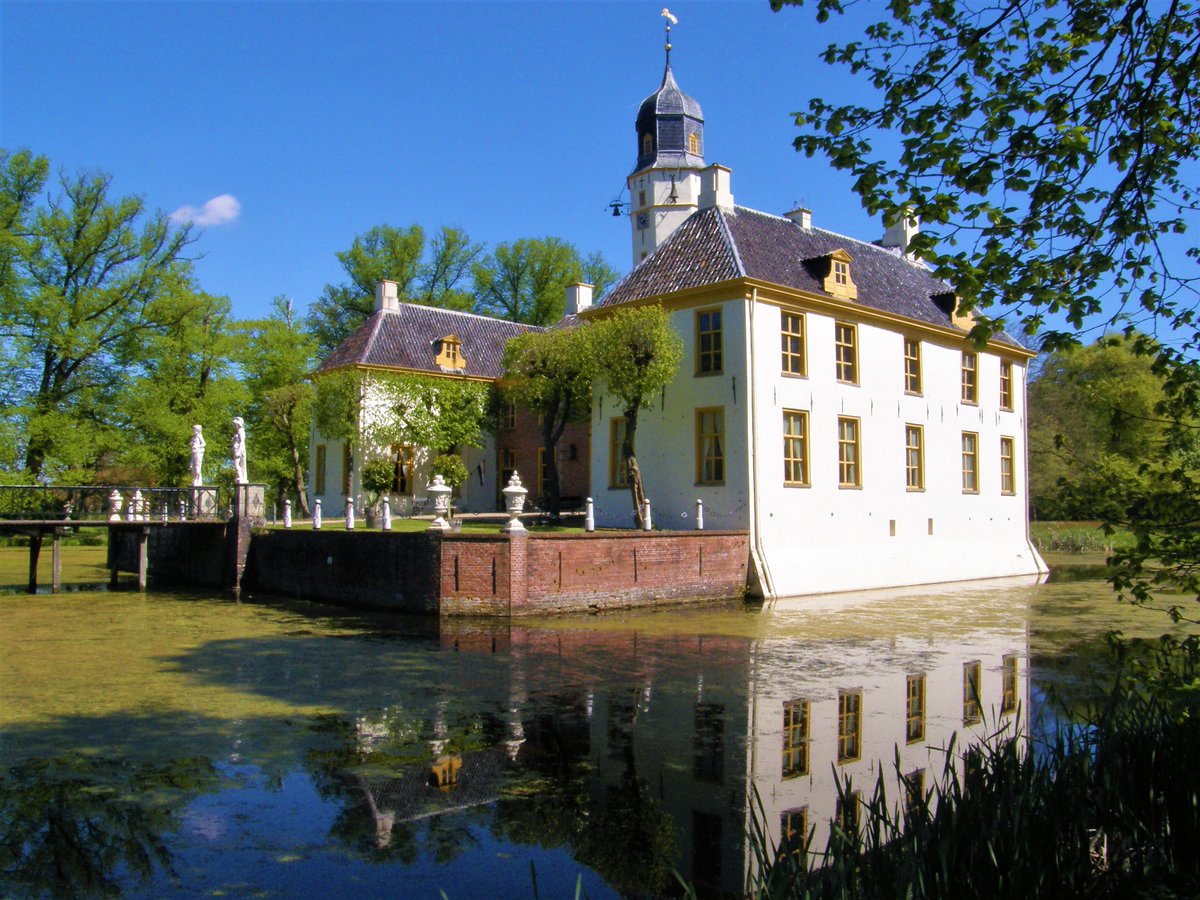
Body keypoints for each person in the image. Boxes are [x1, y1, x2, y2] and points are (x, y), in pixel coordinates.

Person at [231, 417, 248, 484]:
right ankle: (240, 476)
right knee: (236, 464)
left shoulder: (241, 431)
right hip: (236, 449)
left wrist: (239, 451)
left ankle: (241, 476)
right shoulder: (238, 431)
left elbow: (242, 441)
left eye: (235, 424)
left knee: (236, 464)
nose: (234, 426)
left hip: (239, 450)